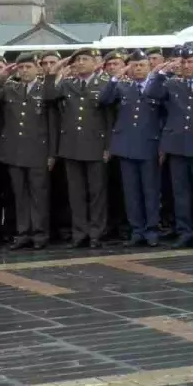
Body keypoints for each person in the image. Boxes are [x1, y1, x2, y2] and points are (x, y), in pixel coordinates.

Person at [144, 44, 193, 248]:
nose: (186, 65)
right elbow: (151, 93)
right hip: (177, 145)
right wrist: (161, 72)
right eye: (184, 62)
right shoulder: (172, 83)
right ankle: (184, 231)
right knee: (181, 193)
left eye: (191, 61)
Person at [0, 53, 54, 250]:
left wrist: (51, 153)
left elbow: (52, 122)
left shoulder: (44, 89)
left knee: (38, 195)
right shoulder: (10, 88)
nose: (24, 71)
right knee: (19, 195)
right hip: (14, 151)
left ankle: (39, 234)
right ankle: (23, 233)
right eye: (21, 68)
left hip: (38, 150)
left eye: (28, 67)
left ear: (37, 68)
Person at [45, 48, 111, 248]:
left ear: (94, 63)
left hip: (95, 146)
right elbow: (49, 96)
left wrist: (108, 146)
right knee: (76, 194)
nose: (80, 63)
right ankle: (79, 233)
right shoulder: (67, 84)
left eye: (85, 59)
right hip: (71, 146)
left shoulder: (104, 84)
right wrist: (54, 72)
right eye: (77, 60)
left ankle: (96, 233)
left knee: (96, 193)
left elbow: (109, 118)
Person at [99, 50, 162, 247]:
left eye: (142, 65)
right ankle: (137, 230)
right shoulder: (123, 87)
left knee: (150, 191)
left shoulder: (157, 86)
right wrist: (115, 78)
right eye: (134, 65)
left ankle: (151, 230)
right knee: (131, 192)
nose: (138, 69)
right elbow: (104, 99)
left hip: (149, 145)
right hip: (126, 146)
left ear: (149, 67)